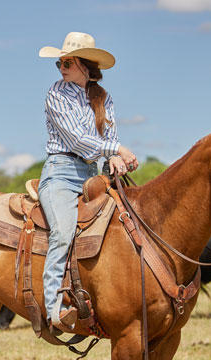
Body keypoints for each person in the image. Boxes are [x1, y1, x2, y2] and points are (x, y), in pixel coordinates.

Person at [37, 31, 139, 332]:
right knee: (62, 232)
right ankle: (54, 308)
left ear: (86, 65)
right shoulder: (55, 94)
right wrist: (116, 150)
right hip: (61, 173)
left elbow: (110, 137)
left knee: (124, 225)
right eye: (59, 62)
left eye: (67, 61)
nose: (61, 66)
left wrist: (114, 160)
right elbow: (79, 140)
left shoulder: (103, 99)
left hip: (92, 175)